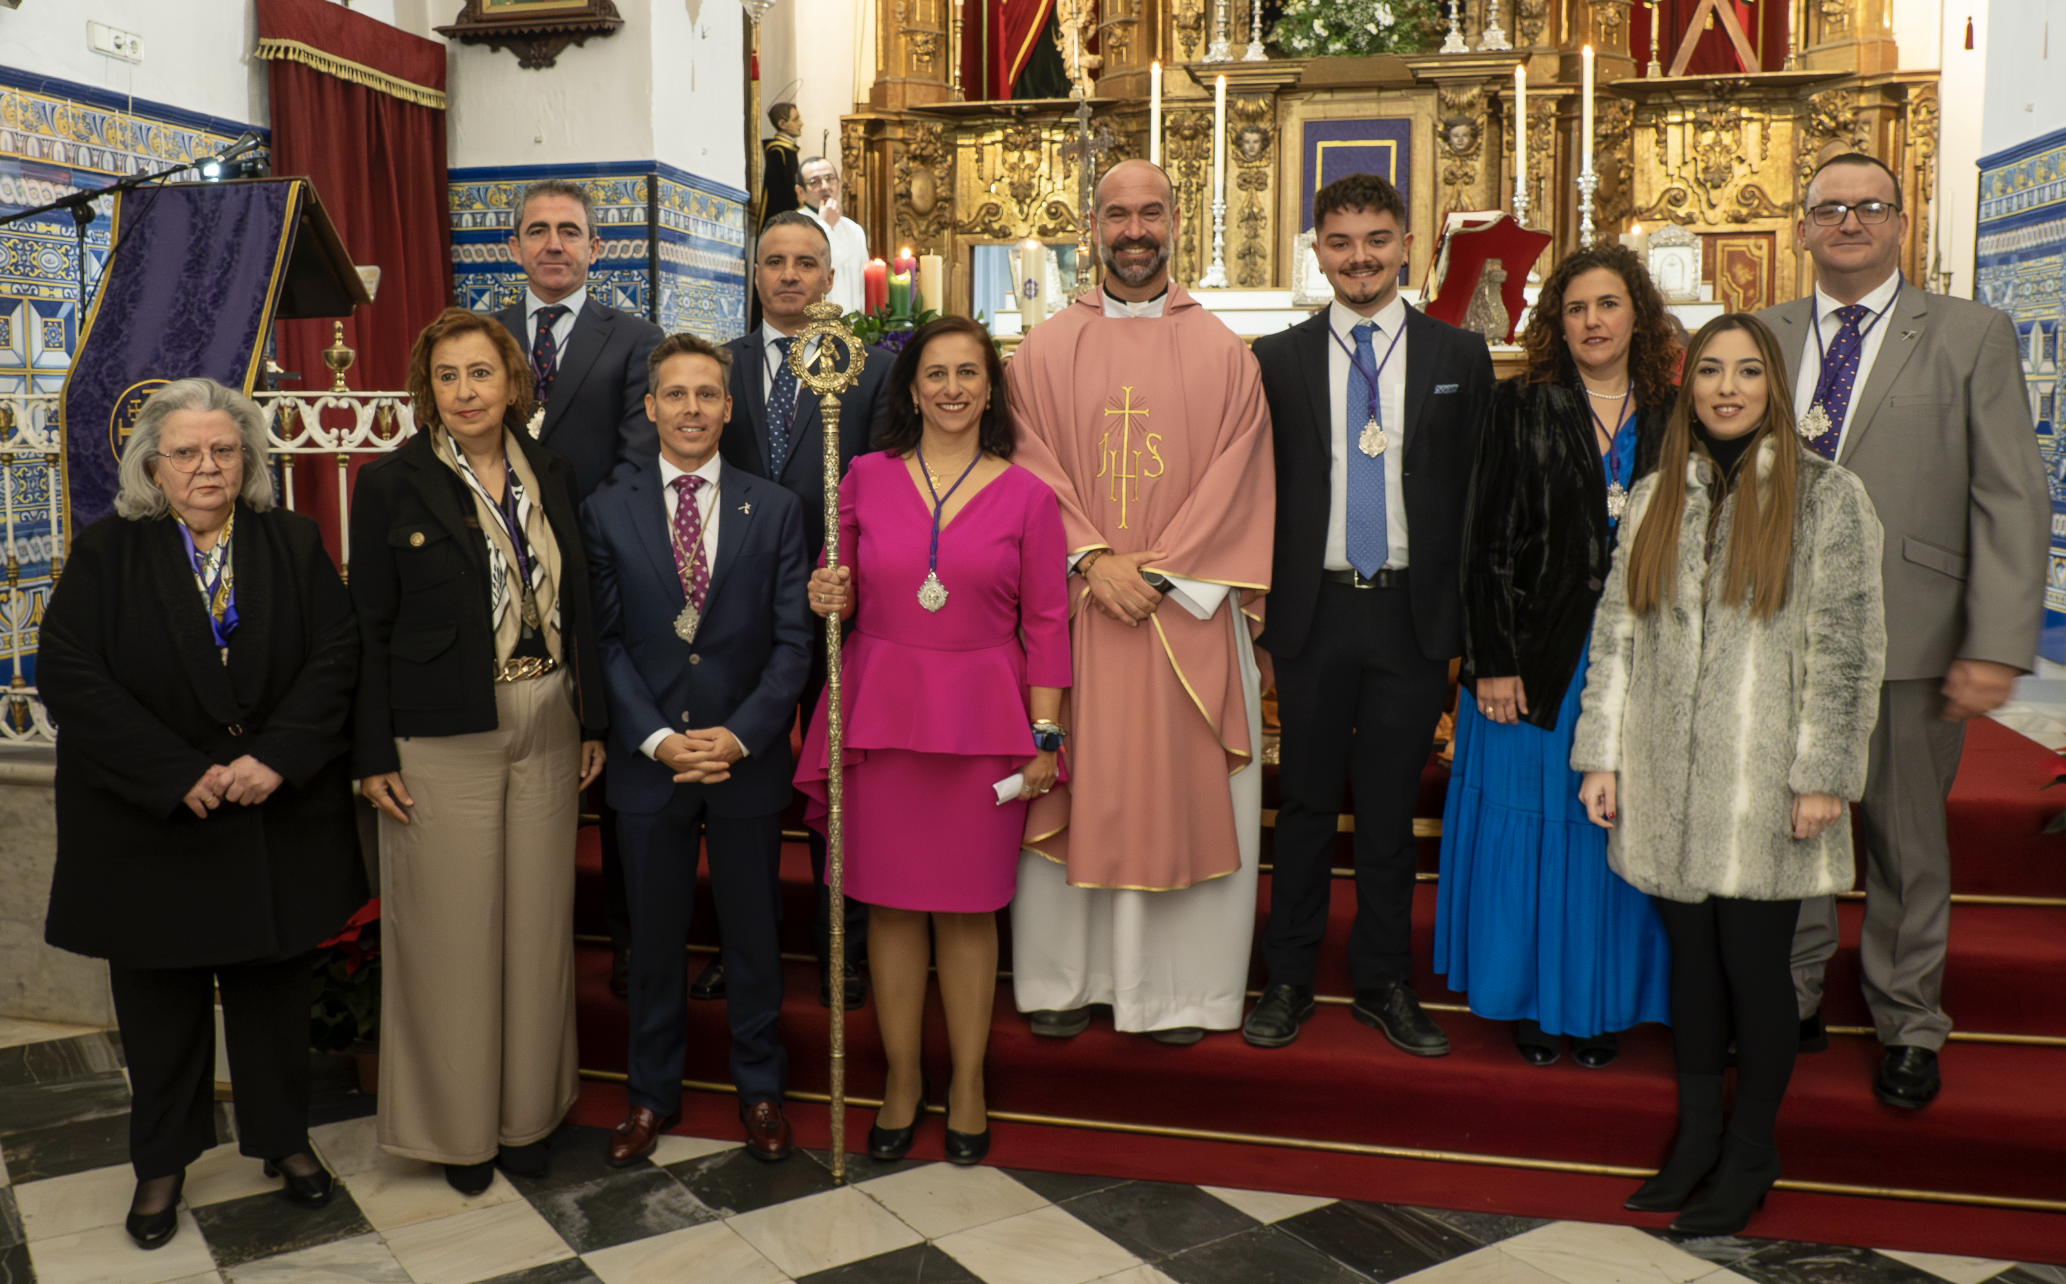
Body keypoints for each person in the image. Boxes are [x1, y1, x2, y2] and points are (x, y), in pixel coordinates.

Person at [1574, 313, 1886, 1236]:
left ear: (1774, 388)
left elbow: (1846, 652)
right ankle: (1698, 1138)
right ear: (1688, 385)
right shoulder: (1659, 493)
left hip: (1766, 786)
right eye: (1710, 369)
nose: (1727, 387)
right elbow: (1617, 636)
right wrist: (1603, 754)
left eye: (1749, 372)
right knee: (1693, 968)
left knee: (1755, 971)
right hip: (1666, 780)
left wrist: (1823, 772)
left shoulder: (1828, 497)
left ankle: (1753, 1149)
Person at [1754, 152, 2048, 1109]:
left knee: (1907, 846)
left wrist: (1997, 640)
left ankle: (1909, 1023)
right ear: (1800, 228)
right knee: (1785, 831)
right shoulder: (1761, 333)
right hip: (1781, 635)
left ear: (1899, 222)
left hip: (1913, 635)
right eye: (1829, 209)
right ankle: (1792, 995)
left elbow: (2011, 495)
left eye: (1868, 207)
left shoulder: (1969, 334)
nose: (1848, 222)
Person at [39, 378, 361, 1249]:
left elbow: (337, 657)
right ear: (154, 465)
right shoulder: (109, 553)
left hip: (270, 816)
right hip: (152, 827)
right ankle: (162, 1163)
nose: (208, 466)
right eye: (187, 453)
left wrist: (277, 758)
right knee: (159, 1008)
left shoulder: (291, 541)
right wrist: (178, 772)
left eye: (224, 450)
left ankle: (283, 1142)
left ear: (248, 459)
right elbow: (70, 677)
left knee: (271, 999)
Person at [1007, 158, 1274, 1045]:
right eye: (1117, 214)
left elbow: (1241, 474)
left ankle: (1178, 996)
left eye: (1150, 214)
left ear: (1175, 222)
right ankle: (1063, 981)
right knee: (1078, 784)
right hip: (1080, 611)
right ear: (1092, 224)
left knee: (1179, 794)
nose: (1134, 231)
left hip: (1182, 612)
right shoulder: (1043, 349)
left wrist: (1156, 573)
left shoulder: (1224, 352)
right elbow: (1028, 463)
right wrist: (1090, 557)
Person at [798, 317, 1071, 1164]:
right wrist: (824, 589)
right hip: (881, 713)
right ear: (910, 388)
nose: (952, 388)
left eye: (969, 374)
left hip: (984, 725)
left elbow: (1050, 625)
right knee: (888, 906)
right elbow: (832, 584)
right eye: (935, 374)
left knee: (967, 910)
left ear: (992, 389)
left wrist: (1046, 736)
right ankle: (904, 1078)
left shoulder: (1028, 495)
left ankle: (969, 1083)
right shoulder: (864, 475)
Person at [352, 308, 608, 1195]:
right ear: (427, 390)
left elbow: (583, 611)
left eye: (482, 374)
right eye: (448, 377)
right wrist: (370, 750)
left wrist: (596, 721)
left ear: (513, 384)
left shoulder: (553, 471)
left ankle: (526, 1116)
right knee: (451, 936)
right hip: (442, 730)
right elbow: (368, 629)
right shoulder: (390, 485)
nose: (466, 392)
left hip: (549, 718)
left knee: (537, 930)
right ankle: (460, 1133)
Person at [1245, 172, 1494, 1056]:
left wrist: (1468, 631)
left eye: (1377, 240)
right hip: (1310, 615)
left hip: (1408, 613)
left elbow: (1475, 499)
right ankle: (1288, 978)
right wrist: (1259, 616)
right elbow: (1253, 494)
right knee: (1306, 805)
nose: (1360, 258)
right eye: (1342, 242)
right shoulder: (1272, 360)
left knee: (1390, 809)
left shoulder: (1458, 358)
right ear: (1316, 252)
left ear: (1407, 242)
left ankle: (1385, 982)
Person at [1434, 242, 1676, 1068]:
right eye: (1575, 309)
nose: (1592, 321)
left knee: (1609, 829)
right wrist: (1492, 660)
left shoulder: (1678, 415)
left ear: (1636, 313)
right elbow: (1486, 542)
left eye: (1607, 304)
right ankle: (1535, 999)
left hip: (1639, 661)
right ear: (1556, 324)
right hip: (1535, 663)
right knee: (1538, 824)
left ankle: (1602, 999)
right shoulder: (1522, 406)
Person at [583, 334, 813, 1165]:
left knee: (753, 938)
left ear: (727, 406)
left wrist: (743, 735)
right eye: (675, 395)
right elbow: (604, 642)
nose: (691, 409)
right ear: (650, 409)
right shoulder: (608, 507)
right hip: (651, 767)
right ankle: (650, 1096)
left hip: (743, 763)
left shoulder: (774, 506)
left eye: (707, 395)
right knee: (652, 944)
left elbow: (794, 645)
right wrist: (654, 737)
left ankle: (760, 1091)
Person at [718, 209, 893, 1010]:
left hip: (841, 602)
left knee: (839, 783)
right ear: (755, 276)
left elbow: (888, 486)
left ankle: (842, 946)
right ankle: (741, 944)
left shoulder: (871, 367)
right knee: (742, 789)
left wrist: (852, 570)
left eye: (806, 263)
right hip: (737, 609)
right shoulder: (717, 366)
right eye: (774, 262)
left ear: (831, 277)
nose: (789, 275)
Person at [493, 177, 664, 996]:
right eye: (538, 231)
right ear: (514, 246)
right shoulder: (477, 336)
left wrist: (564, 541)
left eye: (570, 231)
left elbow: (638, 463)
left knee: (616, 773)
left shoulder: (634, 338)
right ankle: (528, 946)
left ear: (597, 248)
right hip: (495, 585)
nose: (554, 243)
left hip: (598, 577)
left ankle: (631, 943)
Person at [800, 156, 869, 316]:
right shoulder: (796, 225)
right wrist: (825, 226)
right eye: (814, 182)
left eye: (829, 179)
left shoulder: (854, 230)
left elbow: (864, 284)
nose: (824, 186)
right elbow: (812, 268)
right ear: (801, 191)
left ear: (838, 183)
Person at [754, 102, 805, 236]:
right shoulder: (777, 151)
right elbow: (779, 195)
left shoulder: (788, 150)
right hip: (780, 219)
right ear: (782, 124)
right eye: (796, 119)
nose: (801, 123)